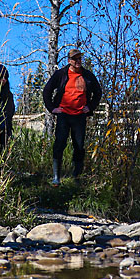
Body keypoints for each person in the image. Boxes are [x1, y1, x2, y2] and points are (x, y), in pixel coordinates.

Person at [42, 48, 101, 185]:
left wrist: (90, 107)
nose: (78, 61)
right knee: (59, 144)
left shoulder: (87, 76)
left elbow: (98, 92)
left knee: (79, 146)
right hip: (63, 114)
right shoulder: (61, 74)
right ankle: (56, 177)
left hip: (80, 116)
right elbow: (47, 91)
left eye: (80, 58)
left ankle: (76, 177)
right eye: (75, 59)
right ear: (69, 61)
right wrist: (52, 108)